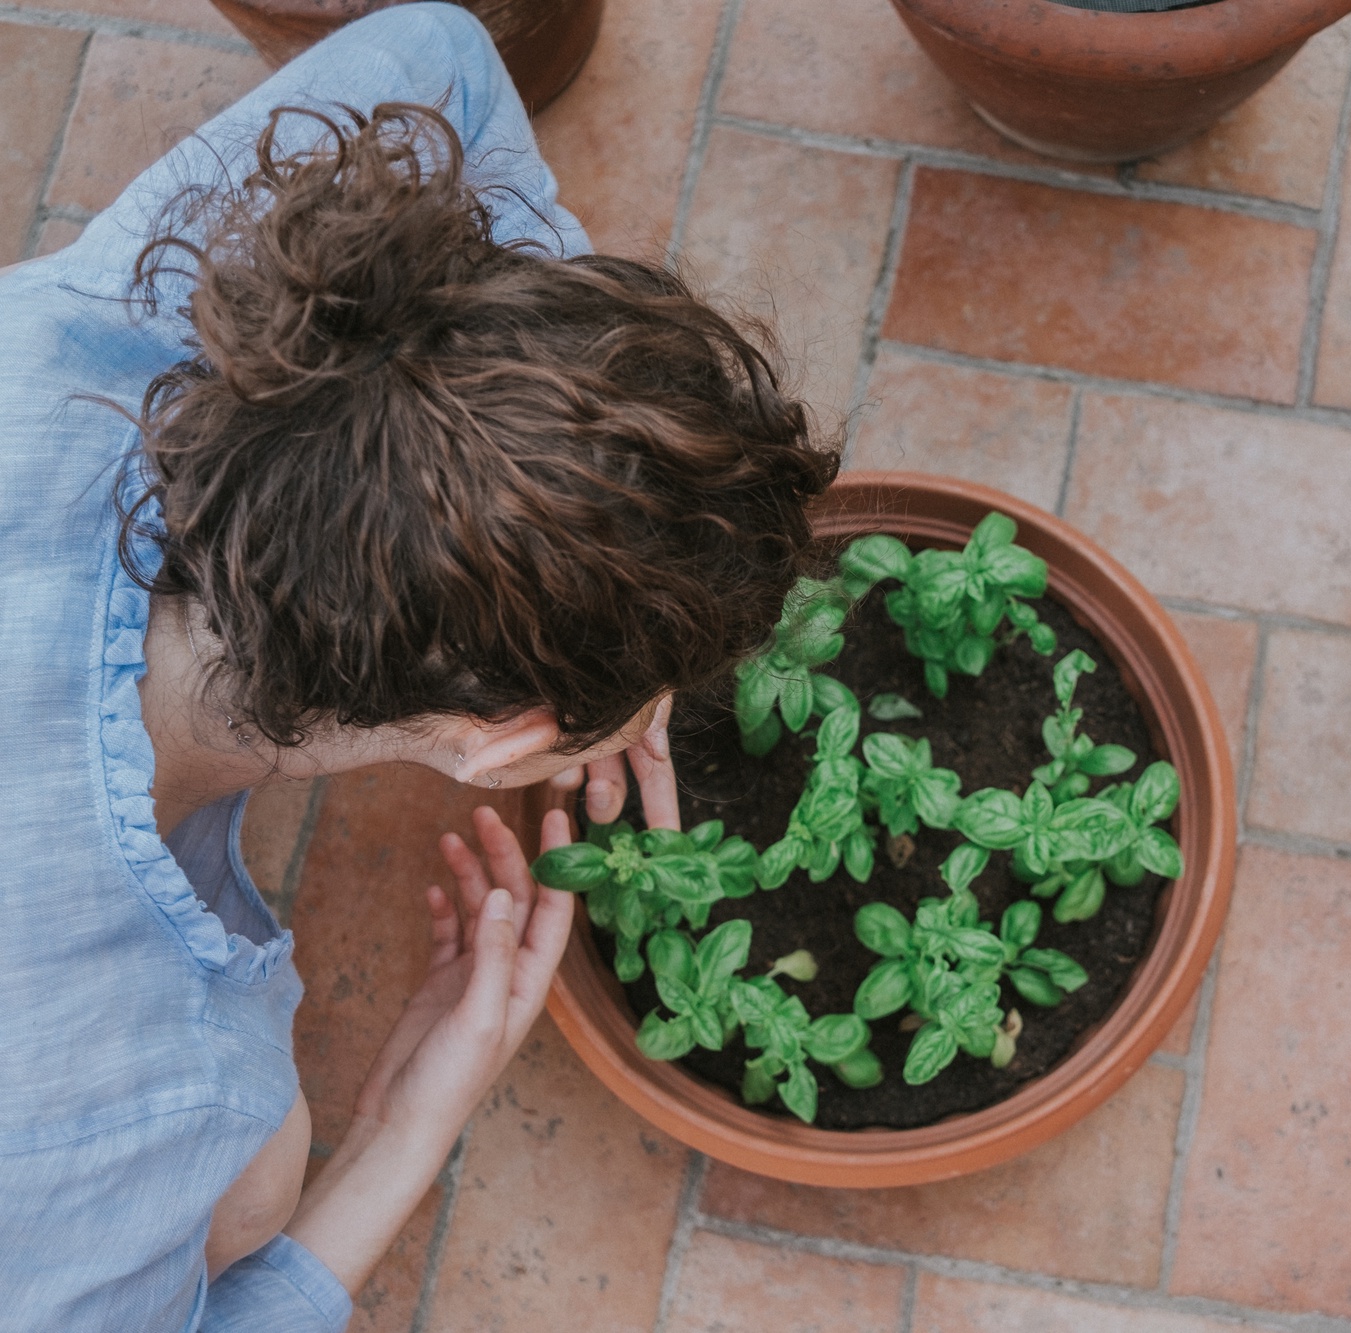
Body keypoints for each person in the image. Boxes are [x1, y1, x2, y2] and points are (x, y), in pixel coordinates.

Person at [0, 6, 837, 1329]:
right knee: (257, 1178)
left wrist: (544, 486)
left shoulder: (110, 328)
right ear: (498, 742)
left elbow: (444, 51)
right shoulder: (130, 1096)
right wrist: (403, 1125)